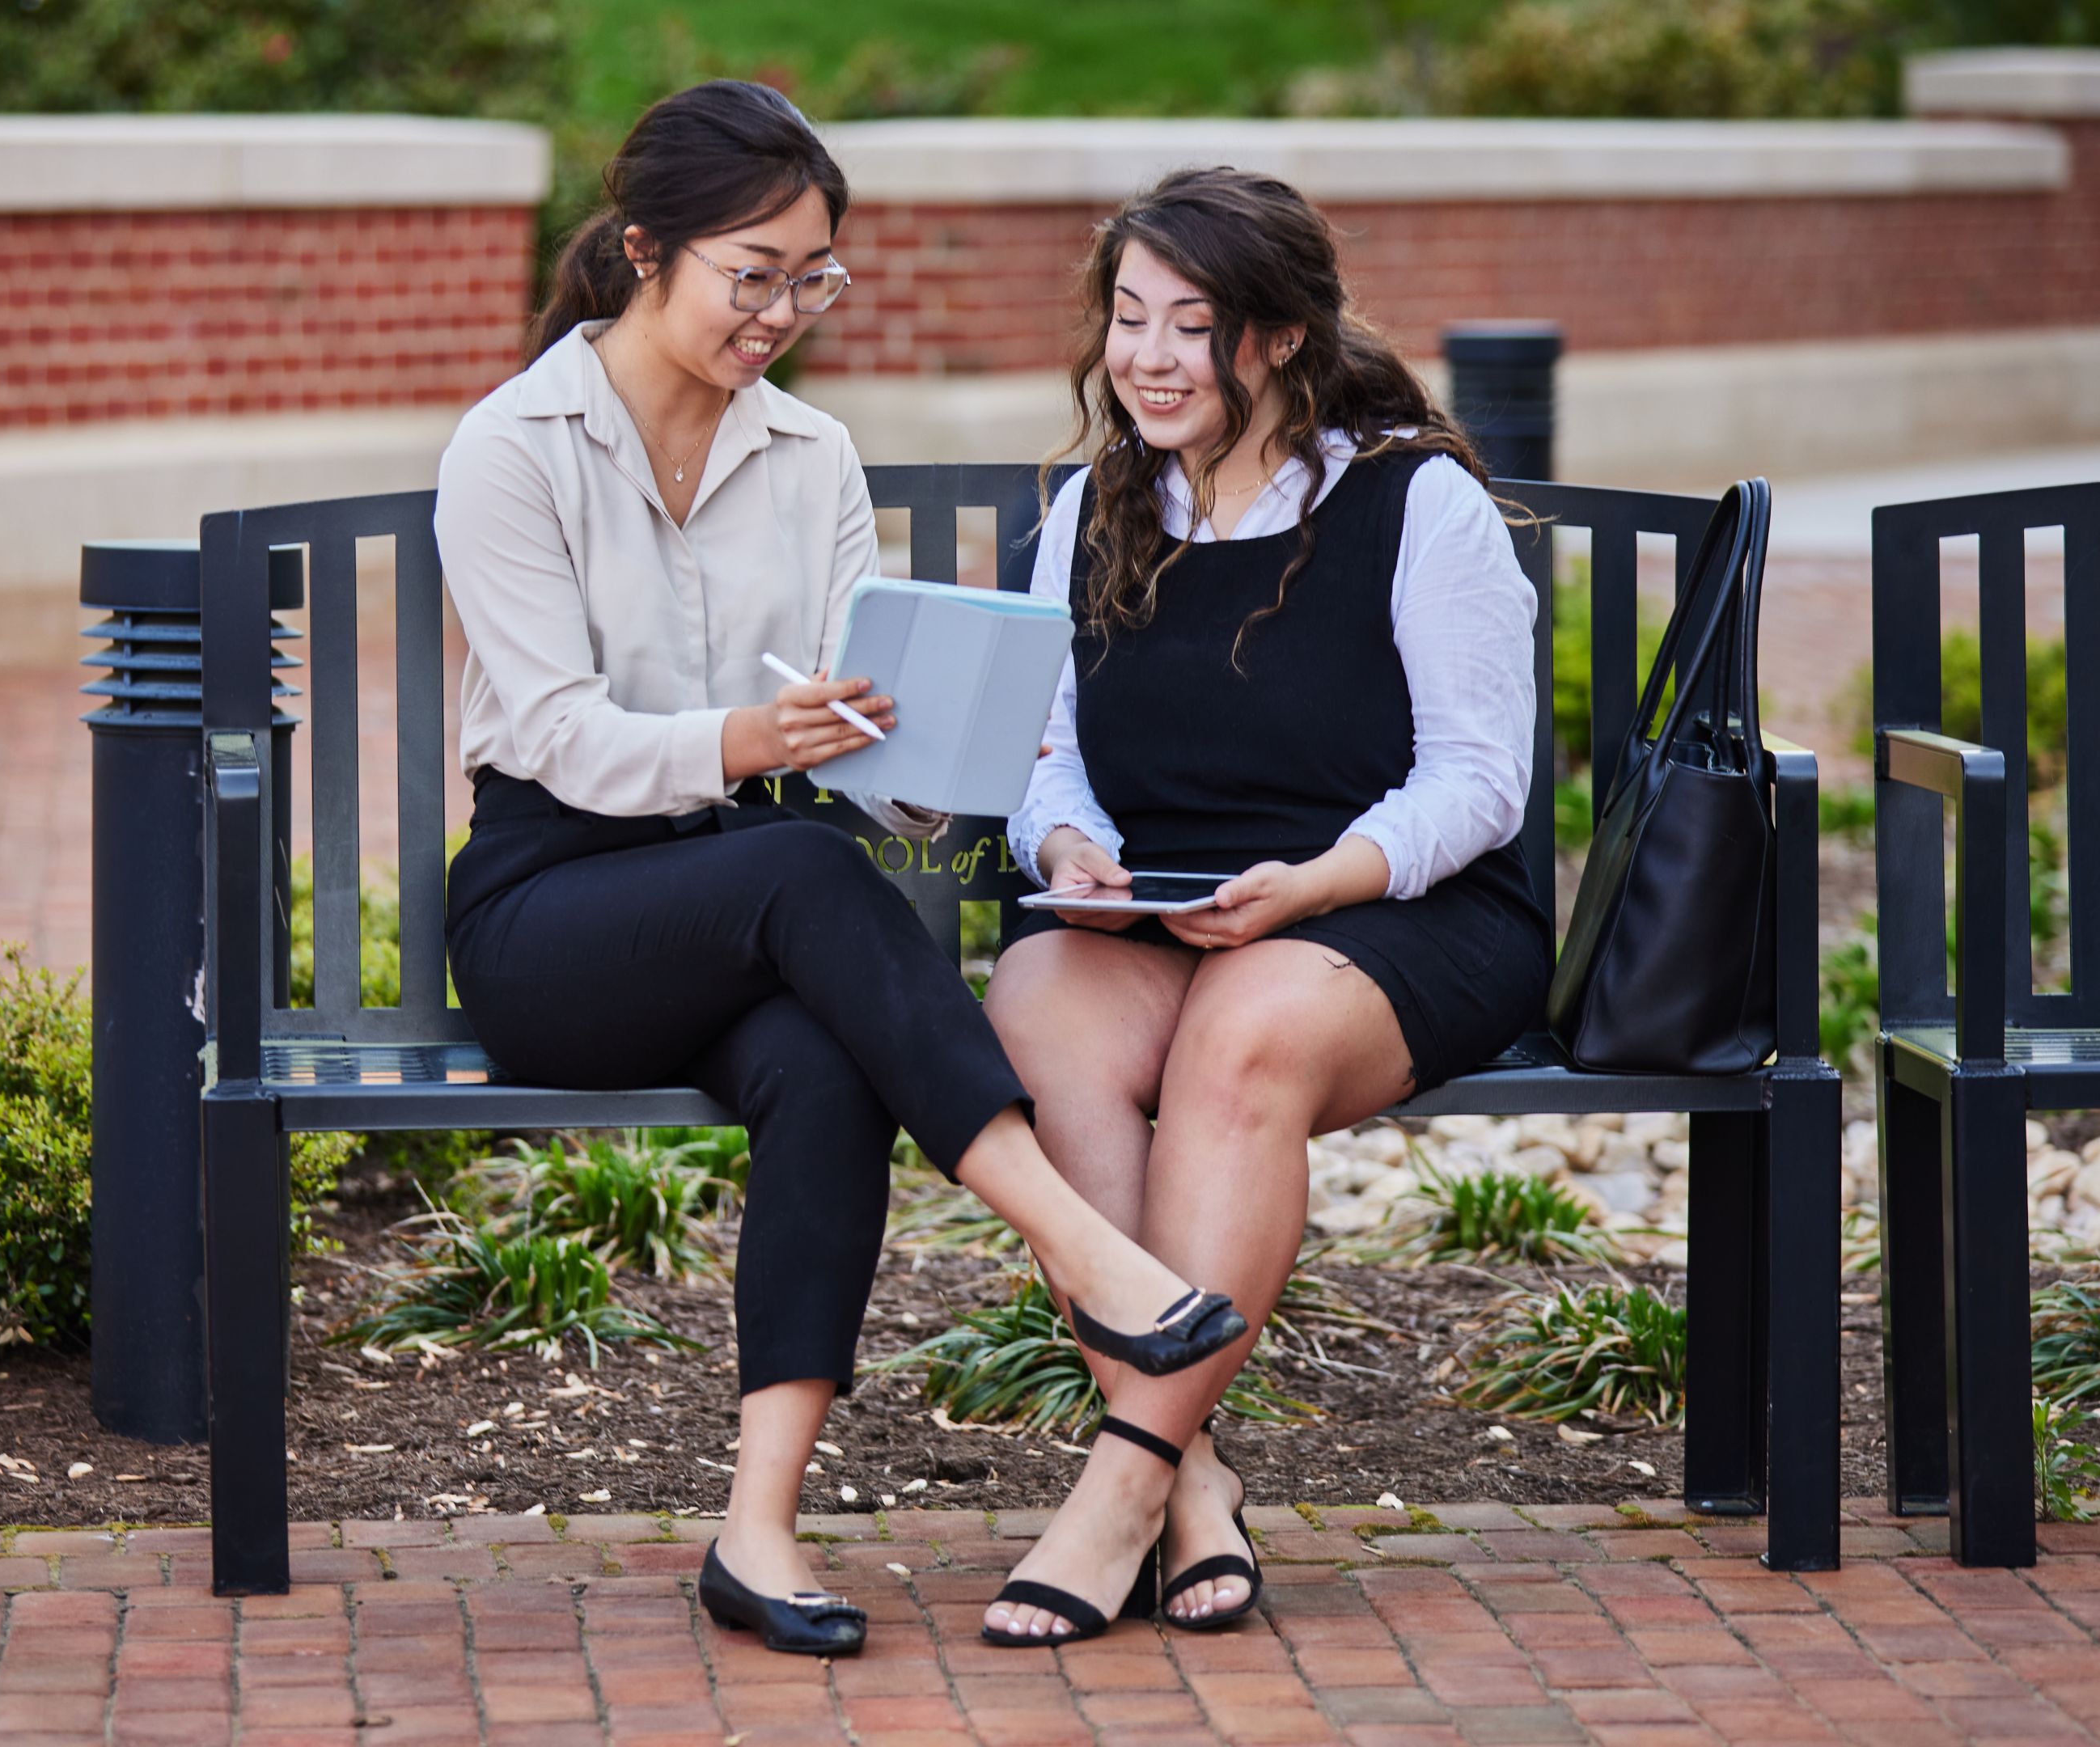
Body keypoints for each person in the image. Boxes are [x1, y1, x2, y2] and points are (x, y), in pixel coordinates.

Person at [432, 84, 1247, 1661]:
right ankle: (1089, 1257)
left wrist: (937, 761)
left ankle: (755, 1528)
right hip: (552, 917)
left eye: (813, 279)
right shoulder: (512, 446)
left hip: (745, 907)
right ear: (644, 249)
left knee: (822, 1049)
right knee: (801, 878)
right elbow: (555, 735)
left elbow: (852, 741)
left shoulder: (807, 456)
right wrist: (752, 737)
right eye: (753, 274)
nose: (781, 314)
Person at [978, 167, 1551, 1642]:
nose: (1150, 359)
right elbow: (1044, 756)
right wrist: (1068, 857)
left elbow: (1479, 782)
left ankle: (1118, 1488)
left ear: (1282, 335)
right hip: (1164, 908)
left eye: (1193, 326)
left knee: (1239, 1036)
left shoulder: (1410, 499)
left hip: (1390, 906)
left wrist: (1322, 880)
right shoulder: (1090, 510)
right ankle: (1193, 1483)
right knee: (1034, 1010)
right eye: (1129, 319)